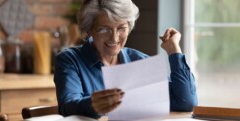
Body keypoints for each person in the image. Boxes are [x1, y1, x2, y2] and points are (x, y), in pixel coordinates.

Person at [54, 0, 198, 119]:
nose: (114, 38)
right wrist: (93, 105)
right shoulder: (69, 59)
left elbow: (186, 102)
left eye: (122, 29)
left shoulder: (139, 60)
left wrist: (174, 51)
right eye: (104, 29)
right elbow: (67, 107)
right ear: (89, 29)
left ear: (129, 27)